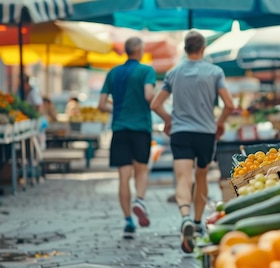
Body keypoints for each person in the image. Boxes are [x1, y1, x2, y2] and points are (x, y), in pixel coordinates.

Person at [151, 31, 235, 254]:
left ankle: (185, 217)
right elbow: (229, 103)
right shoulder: (215, 71)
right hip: (206, 133)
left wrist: (169, 120)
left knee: (183, 177)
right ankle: (198, 222)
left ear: (185, 49)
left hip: (181, 133)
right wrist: (220, 123)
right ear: (203, 48)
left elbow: (155, 104)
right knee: (201, 175)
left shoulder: (173, 73)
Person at [98, 37, 156, 240]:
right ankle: (139, 200)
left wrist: (119, 109)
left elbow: (101, 104)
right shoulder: (146, 71)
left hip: (120, 129)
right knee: (141, 169)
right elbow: (149, 95)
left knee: (124, 177)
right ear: (139, 50)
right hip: (140, 128)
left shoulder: (113, 73)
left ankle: (128, 221)